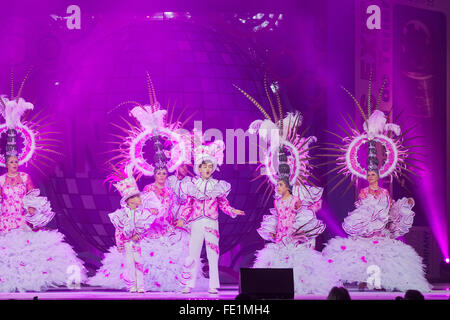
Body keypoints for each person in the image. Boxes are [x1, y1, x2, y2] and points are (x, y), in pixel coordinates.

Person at [0, 92, 85, 292]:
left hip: (23, 220)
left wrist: (32, 212)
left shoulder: (25, 177)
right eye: (10, 162)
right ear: (5, 162)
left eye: (15, 162)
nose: (13, 165)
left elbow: (34, 198)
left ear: (18, 161)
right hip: (4, 220)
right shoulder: (1, 180)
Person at [176, 139, 245, 294]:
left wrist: (233, 211)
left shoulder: (218, 186)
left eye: (210, 166)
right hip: (196, 222)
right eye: (204, 166)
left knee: (213, 253)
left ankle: (213, 285)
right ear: (199, 169)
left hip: (212, 222)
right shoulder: (192, 186)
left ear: (213, 168)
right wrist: (183, 218)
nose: (207, 169)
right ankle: (188, 284)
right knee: (193, 253)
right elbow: (188, 205)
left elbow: (224, 204)